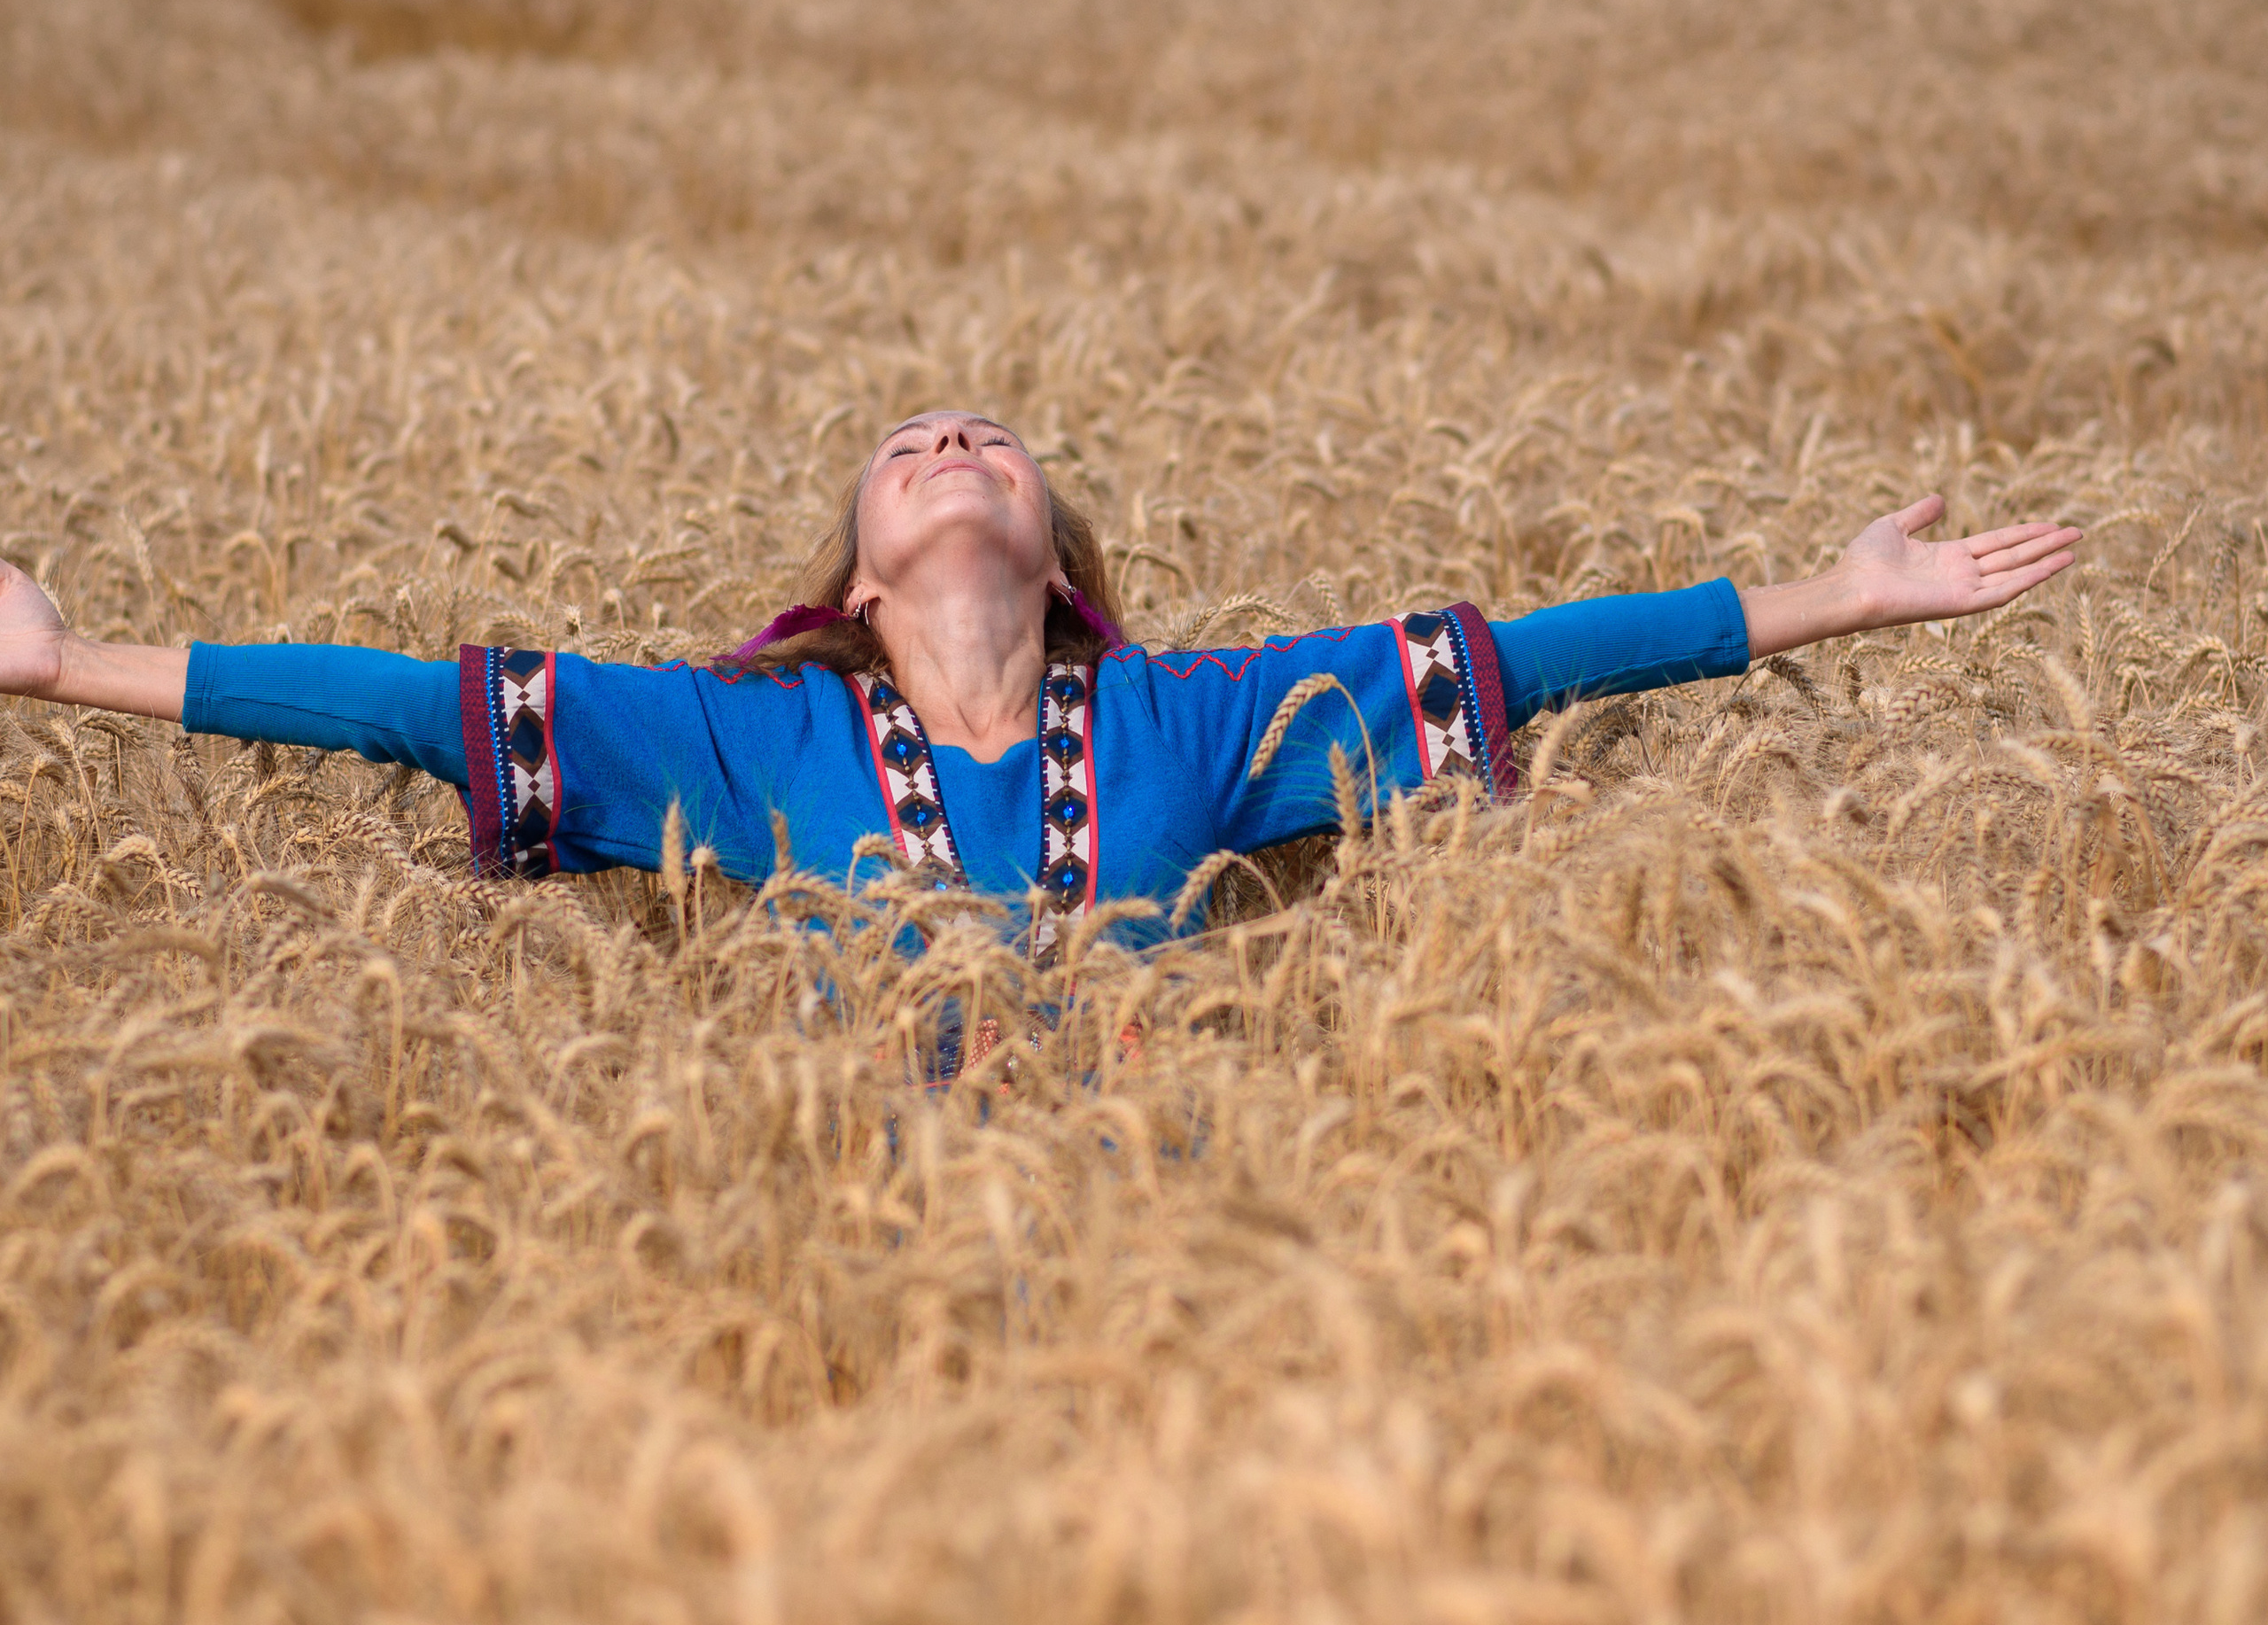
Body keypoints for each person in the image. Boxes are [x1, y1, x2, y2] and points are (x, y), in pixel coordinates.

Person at [0, 410, 2080, 957]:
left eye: (991, 437)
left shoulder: (1190, 719)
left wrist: (1840, 590)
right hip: (865, 1250)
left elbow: (1513, 652)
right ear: (846, 568)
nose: (950, 442)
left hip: (1166, 1254)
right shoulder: (752, 735)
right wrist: (69, 661)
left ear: (1059, 549)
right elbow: (401, 701)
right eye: (905, 442)